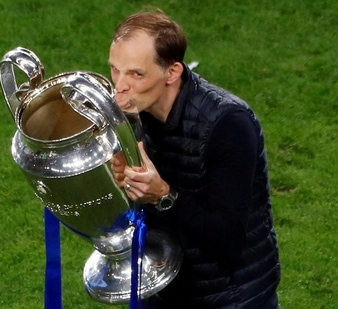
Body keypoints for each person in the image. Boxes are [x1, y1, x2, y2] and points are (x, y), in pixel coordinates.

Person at [109, 10, 281, 308]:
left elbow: (227, 239)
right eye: (115, 69)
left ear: (172, 72)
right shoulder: (130, 113)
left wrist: (162, 195)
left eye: (136, 73)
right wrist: (120, 184)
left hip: (231, 297)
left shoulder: (229, 125)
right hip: (161, 289)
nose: (119, 86)